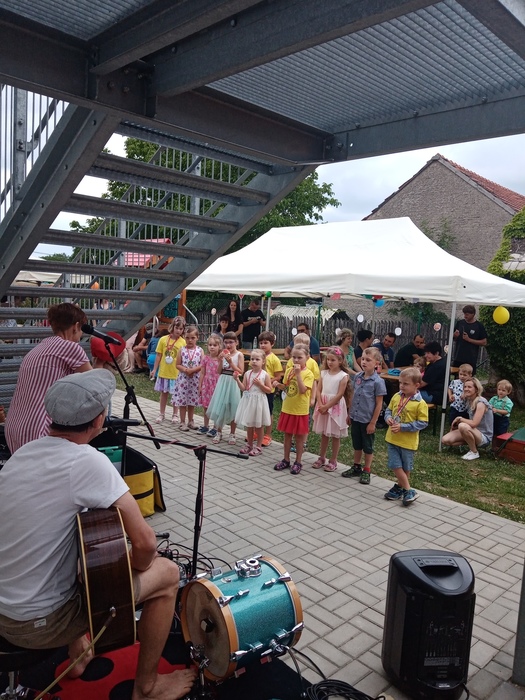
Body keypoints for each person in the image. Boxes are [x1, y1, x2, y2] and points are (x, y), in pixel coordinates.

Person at [0, 370, 196, 700]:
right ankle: (147, 687)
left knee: (79, 563)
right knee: (167, 574)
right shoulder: (87, 461)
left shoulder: (24, 453)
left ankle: (79, 655)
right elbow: (146, 542)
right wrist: (126, 573)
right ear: (99, 419)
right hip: (36, 623)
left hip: (5, 607)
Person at [4, 303, 92, 454]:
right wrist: (102, 364)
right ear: (76, 326)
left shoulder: (40, 347)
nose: (80, 337)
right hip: (38, 429)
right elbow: (95, 385)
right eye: (81, 330)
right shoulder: (70, 347)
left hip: (15, 426)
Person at [383, 367, 429, 505]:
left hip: (408, 442)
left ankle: (400, 488)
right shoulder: (396, 396)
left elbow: (423, 423)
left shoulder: (420, 403)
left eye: (406, 384)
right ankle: (408, 490)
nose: (402, 386)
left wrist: (403, 427)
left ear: (416, 385)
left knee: (406, 468)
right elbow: (388, 410)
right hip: (393, 439)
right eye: (400, 383)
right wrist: (388, 418)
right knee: (395, 464)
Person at [342, 347, 386, 484]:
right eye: (363, 359)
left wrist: (373, 422)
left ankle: (367, 469)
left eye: (368, 360)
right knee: (357, 444)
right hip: (356, 417)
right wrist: (349, 414)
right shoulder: (358, 377)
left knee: (367, 446)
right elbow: (353, 396)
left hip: (367, 419)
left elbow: (379, 404)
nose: (364, 362)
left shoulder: (378, 382)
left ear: (377, 363)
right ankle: (356, 466)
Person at [272, 345, 314, 475]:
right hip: (288, 408)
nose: (296, 360)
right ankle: (286, 459)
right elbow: (287, 387)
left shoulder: (308, 374)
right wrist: (278, 385)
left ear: (307, 358)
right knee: (287, 435)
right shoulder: (289, 370)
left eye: (299, 357)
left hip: (300, 410)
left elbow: (302, 390)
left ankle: (298, 461)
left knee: (299, 437)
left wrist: (298, 374)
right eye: (294, 357)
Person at [312, 347, 351, 472]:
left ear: (340, 361)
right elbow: (318, 390)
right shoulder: (323, 373)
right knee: (324, 433)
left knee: (335, 435)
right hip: (323, 404)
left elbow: (339, 394)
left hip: (335, 406)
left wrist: (327, 406)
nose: (329, 362)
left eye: (333, 360)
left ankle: (333, 460)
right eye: (328, 359)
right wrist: (320, 404)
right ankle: (322, 457)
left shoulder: (343, 376)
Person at [206, 332, 244, 445]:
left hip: (233, 381)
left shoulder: (239, 355)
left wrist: (230, 362)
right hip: (222, 381)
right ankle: (219, 431)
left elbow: (240, 371)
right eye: (226, 342)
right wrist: (220, 361)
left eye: (231, 342)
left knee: (233, 406)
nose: (228, 345)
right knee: (220, 406)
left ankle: (232, 433)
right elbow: (218, 371)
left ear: (236, 342)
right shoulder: (222, 354)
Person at [442, 377, 493, 460]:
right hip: (472, 431)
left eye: (469, 387)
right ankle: (470, 442)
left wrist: (459, 419)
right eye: (465, 387)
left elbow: (474, 423)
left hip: (484, 436)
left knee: (462, 426)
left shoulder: (481, 403)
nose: (466, 389)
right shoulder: (469, 400)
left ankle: (474, 452)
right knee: (445, 440)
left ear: (476, 389)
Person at [234, 349, 272, 456]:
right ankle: (249, 444)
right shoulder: (247, 374)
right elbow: (244, 388)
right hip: (249, 401)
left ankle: (258, 446)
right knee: (249, 424)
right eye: (252, 359)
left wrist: (260, 385)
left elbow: (269, 390)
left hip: (259, 402)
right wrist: (237, 380)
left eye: (257, 359)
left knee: (259, 426)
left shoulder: (264, 375)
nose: (254, 361)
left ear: (263, 361)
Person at [150, 317, 186, 424]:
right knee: (164, 393)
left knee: (176, 395)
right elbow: (158, 355)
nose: (178, 331)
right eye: (177, 328)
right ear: (172, 327)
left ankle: (175, 414)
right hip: (164, 372)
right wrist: (154, 369)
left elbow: (184, 358)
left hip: (176, 374)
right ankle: (161, 413)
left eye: (181, 329)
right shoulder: (163, 339)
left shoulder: (183, 342)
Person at [172, 325, 203, 431]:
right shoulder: (182, 350)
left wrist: (193, 370)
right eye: (187, 338)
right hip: (183, 380)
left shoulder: (200, 350)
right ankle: (182, 422)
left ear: (197, 338)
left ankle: (191, 421)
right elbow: (177, 364)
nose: (190, 340)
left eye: (193, 338)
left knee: (191, 401)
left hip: (195, 380)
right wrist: (186, 370)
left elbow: (202, 364)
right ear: (184, 337)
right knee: (183, 401)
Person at [258, 330, 284, 447]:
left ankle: (267, 435)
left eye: (266, 343)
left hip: (268, 390)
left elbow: (278, 376)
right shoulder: (257, 356)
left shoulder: (274, 359)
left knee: (268, 412)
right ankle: (257, 432)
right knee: (258, 411)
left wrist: (268, 381)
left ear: (272, 344)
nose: (263, 345)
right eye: (261, 343)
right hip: (258, 390)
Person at [197, 334, 223, 436]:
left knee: (216, 406)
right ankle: (205, 425)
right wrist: (200, 385)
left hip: (216, 385)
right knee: (205, 406)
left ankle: (215, 427)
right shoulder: (205, 358)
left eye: (215, 345)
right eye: (210, 345)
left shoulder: (221, 359)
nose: (212, 347)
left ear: (220, 346)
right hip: (207, 384)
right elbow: (202, 372)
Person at [453, 305, 487, 374]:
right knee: (456, 375)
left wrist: (469, 340)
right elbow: (453, 338)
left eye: (467, 314)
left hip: (470, 358)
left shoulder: (479, 326)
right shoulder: (460, 323)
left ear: (473, 314)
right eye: (464, 314)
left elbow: (484, 342)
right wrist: (455, 335)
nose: (465, 316)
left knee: (468, 376)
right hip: (458, 356)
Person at [419, 341, 447, 406]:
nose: (425, 355)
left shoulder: (436, 367)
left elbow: (421, 384)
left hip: (434, 395)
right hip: (440, 394)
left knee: (408, 393)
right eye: (425, 353)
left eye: (428, 353)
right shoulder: (442, 362)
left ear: (437, 353)